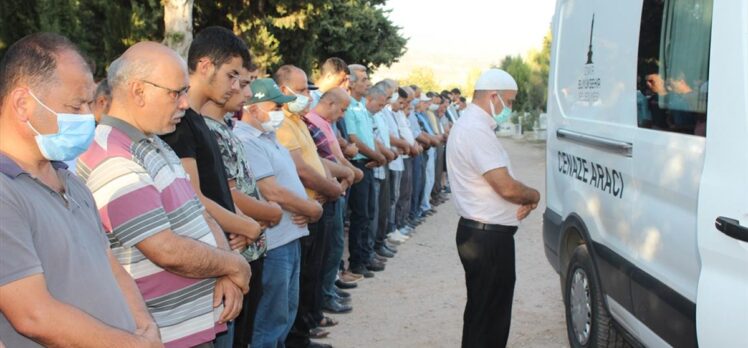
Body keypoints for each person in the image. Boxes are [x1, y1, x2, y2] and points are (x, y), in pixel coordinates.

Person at [0, 32, 161, 348]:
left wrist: (145, 328)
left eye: (90, 103)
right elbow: (33, 315)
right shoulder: (5, 193)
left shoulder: (68, 179)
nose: (88, 117)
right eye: (76, 106)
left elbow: (111, 267)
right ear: (23, 104)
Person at [159, 28, 262, 346]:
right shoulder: (180, 123)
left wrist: (238, 226)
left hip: (225, 248)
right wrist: (249, 226)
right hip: (209, 261)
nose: (236, 87)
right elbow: (195, 199)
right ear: (204, 66)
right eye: (231, 75)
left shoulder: (197, 119)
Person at [446, 69, 540, 348]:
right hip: (487, 237)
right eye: (509, 102)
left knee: (484, 313)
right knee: (489, 318)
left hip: (484, 233)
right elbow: (506, 187)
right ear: (493, 97)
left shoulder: (474, 126)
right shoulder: (475, 130)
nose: (509, 108)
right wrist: (532, 195)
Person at [233, 78, 324, 348]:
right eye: (274, 106)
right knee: (269, 322)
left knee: (284, 314)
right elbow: (273, 192)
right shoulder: (246, 140)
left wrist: (305, 210)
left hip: (289, 237)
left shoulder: (268, 136)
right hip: (274, 244)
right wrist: (313, 209)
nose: (279, 113)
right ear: (254, 107)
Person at [200, 67, 284, 347]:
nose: (246, 92)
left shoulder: (223, 128)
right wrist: (260, 218)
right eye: (239, 82)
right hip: (236, 252)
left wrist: (255, 224)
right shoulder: (207, 131)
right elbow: (226, 195)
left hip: (249, 246)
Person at [273, 65, 344, 348]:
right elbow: (300, 170)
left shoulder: (298, 119)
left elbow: (315, 159)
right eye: (301, 90)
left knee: (311, 272)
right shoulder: (281, 123)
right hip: (302, 211)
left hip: (316, 204)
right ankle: (299, 337)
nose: (307, 95)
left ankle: (305, 329)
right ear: (283, 91)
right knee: (301, 280)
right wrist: (332, 188)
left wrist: (332, 185)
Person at [304, 87, 359, 316]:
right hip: (326, 192)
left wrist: (348, 174)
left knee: (334, 246)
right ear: (331, 103)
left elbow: (336, 157)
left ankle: (327, 292)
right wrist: (347, 175)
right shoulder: (311, 123)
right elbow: (321, 163)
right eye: (342, 109)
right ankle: (323, 297)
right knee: (328, 250)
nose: (343, 115)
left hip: (335, 189)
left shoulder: (325, 123)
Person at [344, 64, 387, 278]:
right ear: (350, 82)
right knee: (360, 215)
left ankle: (365, 255)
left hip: (368, 164)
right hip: (360, 164)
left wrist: (379, 155)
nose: (367, 83)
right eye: (363, 80)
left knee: (368, 213)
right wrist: (377, 156)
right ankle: (356, 262)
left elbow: (369, 136)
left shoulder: (361, 105)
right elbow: (353, 139)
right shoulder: (349, 106)